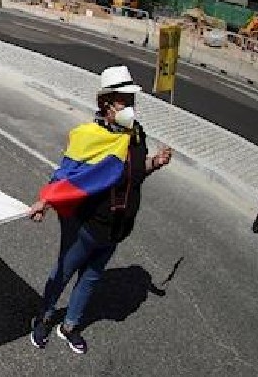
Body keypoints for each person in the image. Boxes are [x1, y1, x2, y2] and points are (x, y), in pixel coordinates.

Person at [28, 66, 173, 354]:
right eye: (123, 101)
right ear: (105, 104)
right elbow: (65, 176)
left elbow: (133, 174)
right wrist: (45, 201)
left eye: (131, 101)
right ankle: (43, 317)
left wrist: (154, 163)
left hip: (116, 228)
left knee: (91, 278)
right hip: (85, 224)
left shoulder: (136, 134)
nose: (129, 107)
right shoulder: (89, 135)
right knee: (64, 272)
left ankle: (69, 326)